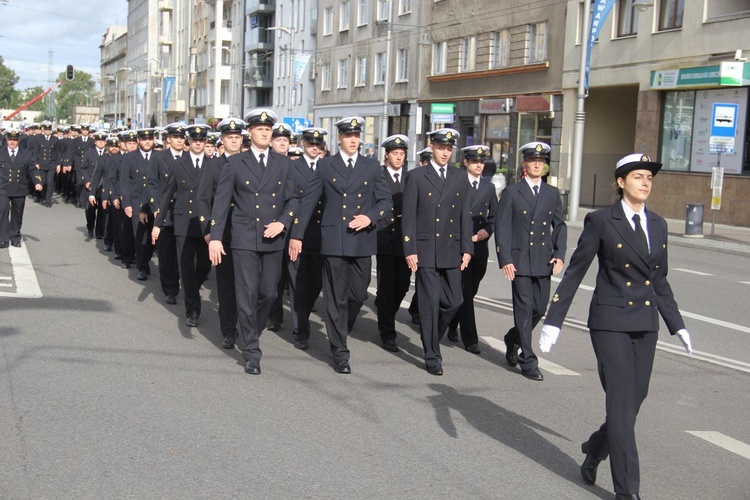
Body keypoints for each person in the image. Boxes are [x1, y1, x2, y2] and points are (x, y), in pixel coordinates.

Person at [539, 153, 693, 500]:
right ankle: (628, 492)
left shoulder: (658, 224)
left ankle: (595, 449)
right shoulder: (601, 221)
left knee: (633, 402)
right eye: (638, 177)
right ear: (621, 182)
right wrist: (554, 320)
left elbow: (659, 280)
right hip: (610, 322)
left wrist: (677, 325)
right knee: (622, 406)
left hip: (645, 323)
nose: (645, 183)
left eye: (649, 178)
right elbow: (576, 269)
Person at [292, 117, 391, 374]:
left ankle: (342, 326)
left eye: (356, 135)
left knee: (358, 294)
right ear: (340, 139)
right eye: (348, 136)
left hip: (362, 240)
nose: (353, 140)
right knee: (335, 298)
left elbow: (385, 202)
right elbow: (308, 201)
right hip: (334, 239)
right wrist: (296, 235)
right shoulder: (326, 166)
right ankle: (340, 351)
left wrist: (370, 216)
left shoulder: (371, 166)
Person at [208, 109, 299, 375]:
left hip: (273, 238)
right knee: (245, 294)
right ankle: (251, 350)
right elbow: (221, 203)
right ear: (250, 132)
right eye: (259, 129)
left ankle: (250, 330)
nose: (264, 133)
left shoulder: (284, 164)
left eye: (268, 129)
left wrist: (283, 221)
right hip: (244, 237)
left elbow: (293, 199)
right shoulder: (235, 164)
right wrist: (215, 238)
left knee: (269, 294)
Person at [402, 128, 473, 376]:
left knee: (455, 301)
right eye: (441, 148)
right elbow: (408, 217)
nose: (445, 153)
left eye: (449, 149)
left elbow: (465, 214)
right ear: (431, 147)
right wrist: (409, 248)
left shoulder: (459, 176)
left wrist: (467, 247)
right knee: (430, 304)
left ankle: (433, 335)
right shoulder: (417, 176)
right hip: (426, 249)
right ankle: (432, 354)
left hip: (451, 249)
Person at [494, 141, 566, 381]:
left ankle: (512, 338)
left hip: (542, 260)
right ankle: (528, 360)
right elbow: (502, 227)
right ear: (524, 163)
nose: (537, 163)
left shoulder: (551, 193)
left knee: (539, 308)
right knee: (524, 310)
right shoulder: (513, 192)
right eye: (533, 160)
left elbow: (559, 225)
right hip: (519, 260)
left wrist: (559, 253)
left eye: (541, 161)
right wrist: (505, 258)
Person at [153, 125, 213, 327]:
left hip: (205, 224)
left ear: (206, 142)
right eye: (195, 140)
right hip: (183, 223)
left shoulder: (214, 165)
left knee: (204, 267)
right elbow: (167, 195)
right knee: (186, 267)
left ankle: (191, 289)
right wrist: (158, 224)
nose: (198, 143)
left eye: (202, 140)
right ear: (189, 142)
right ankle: (192, 310)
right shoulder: (178, 165)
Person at [198, 117, 245, 349]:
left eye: (237, 137)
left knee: (249, 285)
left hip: (247, 233)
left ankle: (247, 325)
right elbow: (204, 200)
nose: (234, 141)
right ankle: (228, 330)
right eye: (229, 137)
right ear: (222, 141)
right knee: (226, 286)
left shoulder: (250, 162)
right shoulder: (212, 166)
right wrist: (208, 231)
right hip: (223, 233)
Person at [446, 145, 498, 354]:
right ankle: (470, 338)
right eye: (474, 161)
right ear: (465, 162)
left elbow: (495, 216)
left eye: (481, 161)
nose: (479, 165)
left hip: (479, 248)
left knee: (471, 290)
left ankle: (452, 323)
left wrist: (487, 230)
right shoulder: (455, 182)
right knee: (465, 292)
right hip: (458, 246)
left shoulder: (488, 188)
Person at [280, 127, 328, 351]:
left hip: (321, 235)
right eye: (311, 144)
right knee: (298, 284)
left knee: (316, 284)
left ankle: (304, 316)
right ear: (303, 145)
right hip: (297, 234)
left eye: (318, 145)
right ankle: (301, 331)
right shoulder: (292, 168)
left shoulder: (328, 167)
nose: (315, 148)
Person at [375, 134, 411, 353]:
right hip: (384, 238)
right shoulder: (378, 177)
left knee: (404, 285)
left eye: (402, 154)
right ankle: (387, 332)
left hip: (406, 241)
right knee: (387, 285)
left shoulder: (411, 177)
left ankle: (385, 308)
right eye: (395, 154)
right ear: (386, 155)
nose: (399, 157)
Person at [147, 123, 186, 305]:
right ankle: (169, 288)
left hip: (185, 212)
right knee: (166, 252)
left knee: (183, 253)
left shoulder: (189, 157)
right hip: (166, 212)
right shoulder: (159, 157)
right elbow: (152, 183)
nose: (179, 139)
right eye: (175, 137)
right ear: (168, 139)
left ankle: (181, 280)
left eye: (181, 137)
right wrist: (156, 206)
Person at [121, 128, 158, 280]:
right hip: (137, 201)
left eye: (150, 139)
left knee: (153, 237)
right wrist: (126, 203)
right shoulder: (130, 157)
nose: (147, 141)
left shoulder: (159, 156)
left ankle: (146, 258)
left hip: (154, 201)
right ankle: (142, 266)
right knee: (140, 235)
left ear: (154, 140)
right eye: (144, 139)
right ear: (138, 141)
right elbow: (124, 182)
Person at [0, 129, 43, 248]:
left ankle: (15, 237)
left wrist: (37, 182)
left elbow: (32, 169)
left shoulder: (26, 154)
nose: (12, 142)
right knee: (2, 211)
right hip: (3, 187)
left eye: (15, 140)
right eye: (10, 139)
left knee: (17, 214)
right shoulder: (1, 152)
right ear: (6, 140)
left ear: (18, 140)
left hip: (19, 187)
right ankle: (3, 238)